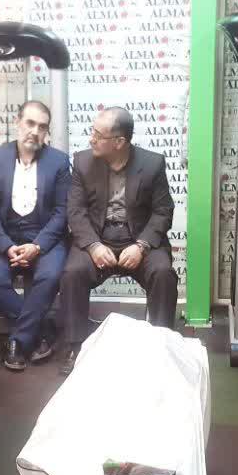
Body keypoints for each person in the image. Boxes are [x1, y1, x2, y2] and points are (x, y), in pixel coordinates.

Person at [59, 107, 177, 375]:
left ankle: (163, 346)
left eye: (98, 135)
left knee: (163, 273)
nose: (91, 139)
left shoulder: (152, 164)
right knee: (72, 273)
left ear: (119, 142)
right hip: (98, 237)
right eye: (92, 132)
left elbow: (163, 211)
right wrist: (92, 245)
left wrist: (142, 245)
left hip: (138, 238)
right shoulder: (83, 162)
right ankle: (75, 346)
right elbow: (75, 211)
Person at [0, 101, 70, 371]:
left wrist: (37, 246)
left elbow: (62, 212)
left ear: (47, 131)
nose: (35, 131)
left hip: (43, 237)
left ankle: (18, 341)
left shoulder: (59, 161)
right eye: (30, 123)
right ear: (17, 122)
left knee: (50, 276)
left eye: (42, 127)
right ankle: (40, 330)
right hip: (4, 237)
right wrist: (6, 247)